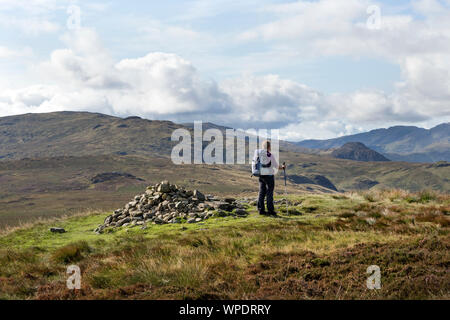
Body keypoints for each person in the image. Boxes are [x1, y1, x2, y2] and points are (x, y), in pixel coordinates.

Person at [253, 140, 285, 216]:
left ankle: (261, 210)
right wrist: (283, 167)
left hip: (261, 175)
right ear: (269, 147)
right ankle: (270, 210)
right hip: (269, 176)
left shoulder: (258, 154)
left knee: (261, 192)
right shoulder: (269, 155)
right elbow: (276, 166)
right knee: (269, 193)